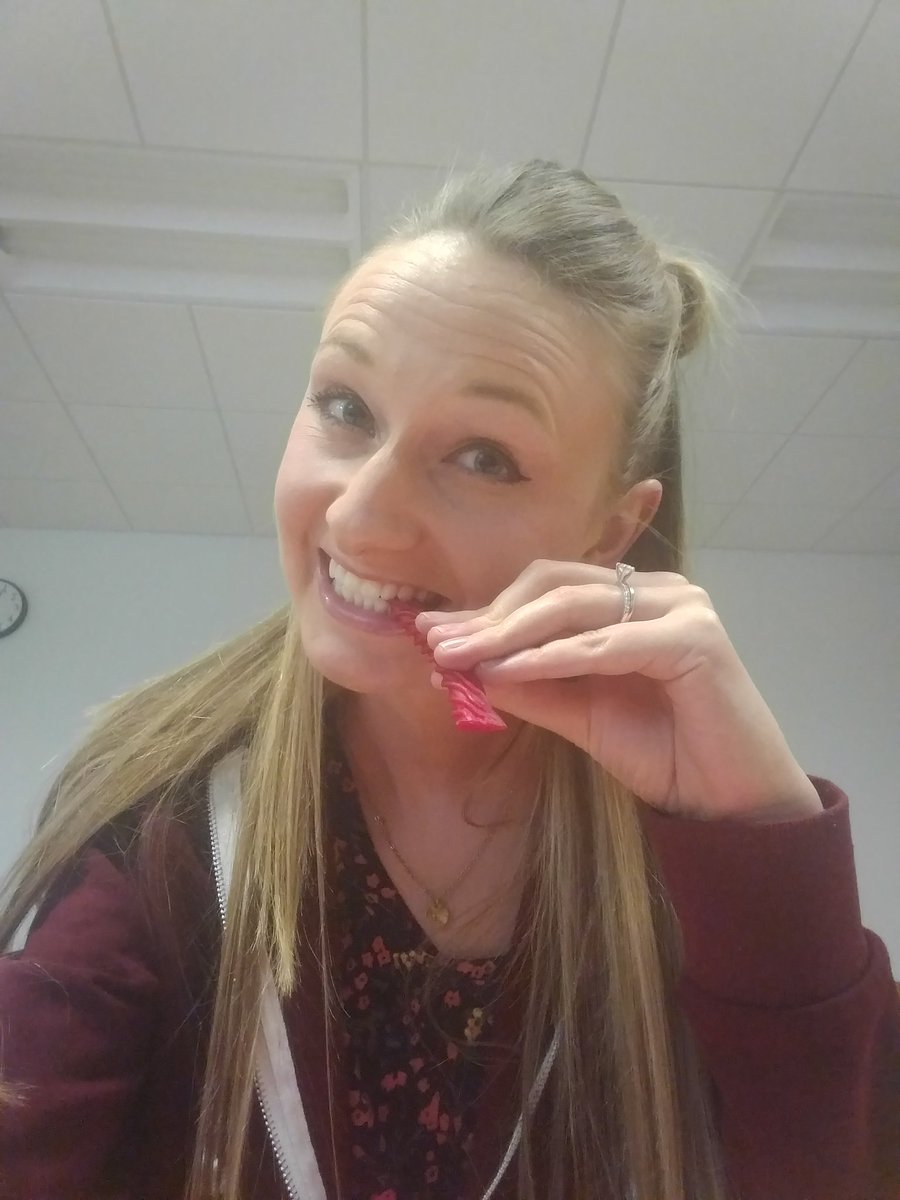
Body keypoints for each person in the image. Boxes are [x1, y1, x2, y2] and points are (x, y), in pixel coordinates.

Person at [1, 160, 898, 1200]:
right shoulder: (161, 821)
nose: (357, 517)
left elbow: (841, 1166)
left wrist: (766, 839)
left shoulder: (695, 853)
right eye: (345, 405)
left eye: (483, 457)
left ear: (611, 531)